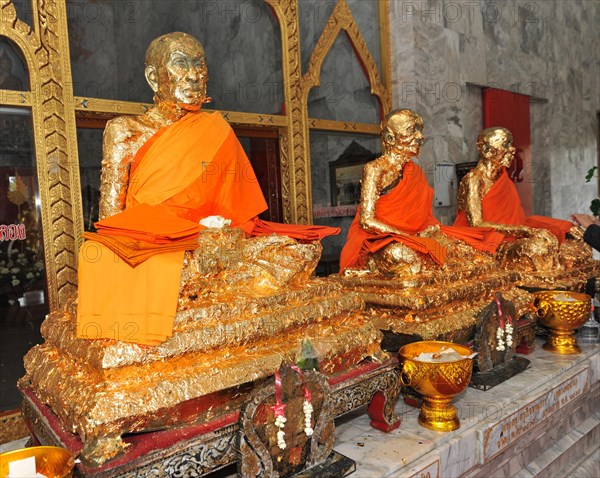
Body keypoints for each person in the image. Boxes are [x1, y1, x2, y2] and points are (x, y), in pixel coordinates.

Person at [77, 32, 336, 346]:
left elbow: (238, 215)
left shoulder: (215, 128)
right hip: (160, 249)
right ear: (152, 76)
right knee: (124, 261)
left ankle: (209, 290)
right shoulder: (126, 130)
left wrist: (220, 237)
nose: (194, 75)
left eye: (199, 65)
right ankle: (210, 288)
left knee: (302, 248)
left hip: (214, 247)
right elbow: (111, 222)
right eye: (181, 64)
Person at [340, 109, 504, 275]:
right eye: (411, 130)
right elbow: (367, 221)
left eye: (419, 130)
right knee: (402, 255)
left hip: (415, 235)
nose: (420, 137)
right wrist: (408, 236)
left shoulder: (415, 171)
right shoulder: (375, 169)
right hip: (380, 240)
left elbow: (423, 218)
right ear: (390, 138)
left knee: (465, 251)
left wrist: (427, 234)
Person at [454, 127, 584, 271]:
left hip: (513, 235)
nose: (512, 150)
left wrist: (563, 227)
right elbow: (477, 224)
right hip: (489, 242)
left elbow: (519, 219)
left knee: (574, 243)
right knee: (538, 248)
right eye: (505, 145)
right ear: (487, 150)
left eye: (511, 144)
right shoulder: (474, 180)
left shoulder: (504, 180)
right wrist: (524, 231)